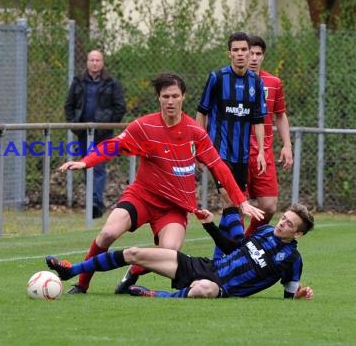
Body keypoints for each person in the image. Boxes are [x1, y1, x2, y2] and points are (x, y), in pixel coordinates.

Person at [59, 71, 264, 295]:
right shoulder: (145, 126)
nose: (170, 101)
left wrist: (241, 201)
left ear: (183, 97)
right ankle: (81, 284)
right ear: (159, 98)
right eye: (166, 96)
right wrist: (86, 162)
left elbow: (219, 167)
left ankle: (134, 271)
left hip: (174, 206)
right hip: (142, 197)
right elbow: (114, 145)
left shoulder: (195, 132)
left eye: (175, 96)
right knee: (108, 233)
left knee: (169, 251)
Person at [46, 203, 314, 300]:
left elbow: (289, 294)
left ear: (298, 233)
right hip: (205, 266)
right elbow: (233, 248)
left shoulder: (292, 259)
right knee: (135, 253)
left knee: (203, 290)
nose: (281, 224)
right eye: (283, 218)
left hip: (220, 288)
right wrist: (209, 226)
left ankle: (152, 294)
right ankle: (72, 271)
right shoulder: (265, 231)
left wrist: (298, 294)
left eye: (289, 224)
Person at [196, 31, 267, 259]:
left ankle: (220, 259)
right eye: (235, 50)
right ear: (229, 53)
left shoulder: (256, 82)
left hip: (242, 156)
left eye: (243, 50)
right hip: (219, 153)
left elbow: (258, 119)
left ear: (248, 53)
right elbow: (202, 112)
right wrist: (200, 146)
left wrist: (262, 153)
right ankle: (241, 251)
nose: (240, 54)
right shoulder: (217, 78)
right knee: (228, 197)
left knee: (235, 208)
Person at [64, 49, 126, 218]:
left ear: (102, 62)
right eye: (91, 60)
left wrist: (108, 125)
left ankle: (95, 202)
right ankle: (94, 201)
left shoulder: (111, 83)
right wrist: (74, 123)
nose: (94, 63)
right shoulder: (78, 82)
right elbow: (69, 105)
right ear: (87, 62)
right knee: (85, 165)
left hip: (103, 134)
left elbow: (120, 107)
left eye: (97, 60)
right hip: (83, 132)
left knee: (98, 166)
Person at [245, 35, 293, 236]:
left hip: (263, 153)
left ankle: (245, 240)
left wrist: (287, 145)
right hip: (238, 152)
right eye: (251, 53)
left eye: (259, 54)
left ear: (263, 56)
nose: (254, 58)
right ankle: (230, 252)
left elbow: (280, 115)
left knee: (269, 206)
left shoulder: (273, 82)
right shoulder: (230, 82)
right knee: (237, 205)